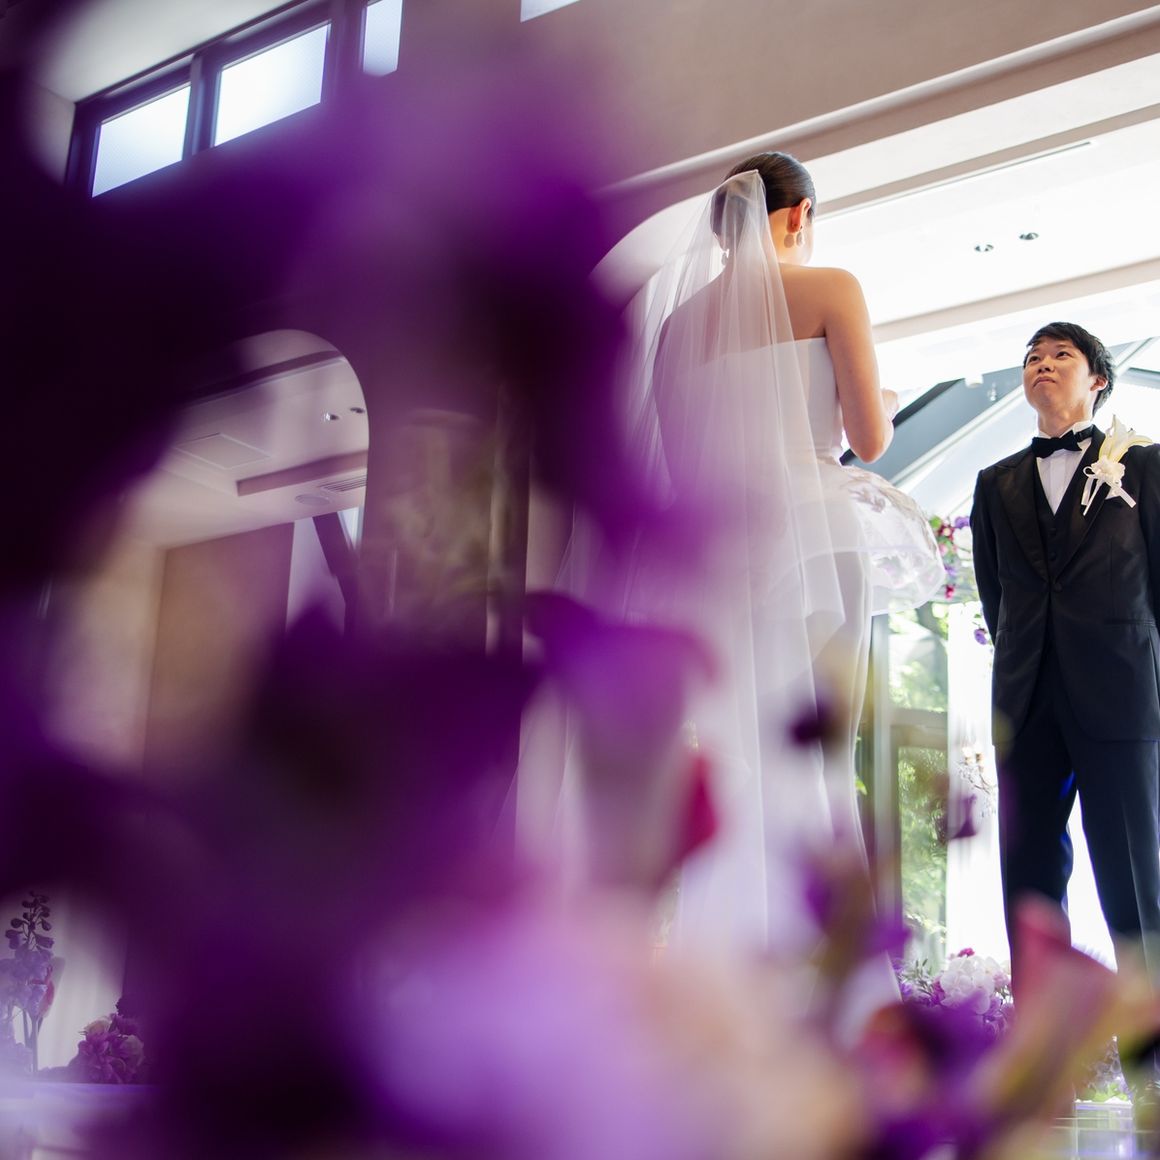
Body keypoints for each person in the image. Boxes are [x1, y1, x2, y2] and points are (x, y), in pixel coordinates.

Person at [616, 154, 942, 1021]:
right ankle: (825, 984)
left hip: (723, 559)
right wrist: (866, 402)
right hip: (812, 538)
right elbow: (869, 437)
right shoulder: (832, 287)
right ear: (798, 217)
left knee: (735, 752)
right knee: (814, 752)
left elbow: (682, 465)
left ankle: (725, 984)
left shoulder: (676, 326)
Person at [970, 322, 1160, 1040]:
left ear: (1097, 379)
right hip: (1025, 703)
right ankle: (1041, 1064)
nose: (1042, 365)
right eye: (1032, 358)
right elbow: (996, 595)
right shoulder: (994, 484)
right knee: (1028, 886)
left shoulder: (1144, 466)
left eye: (1061, 356)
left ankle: (1152, 1063)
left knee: (1133, 880)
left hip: (1121, 698)